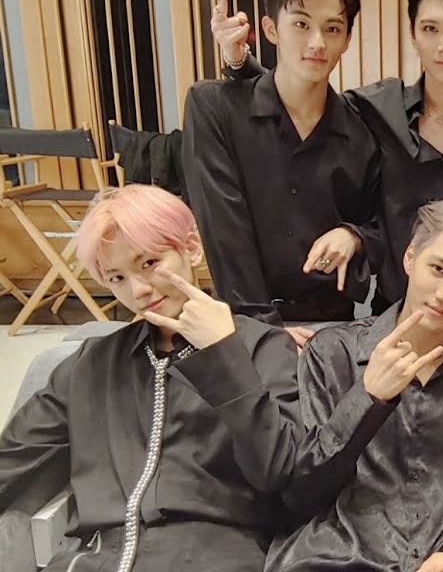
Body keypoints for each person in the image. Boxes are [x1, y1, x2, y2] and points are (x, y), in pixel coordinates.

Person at [0, 184, 301, 572]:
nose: (139, 290)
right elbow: (13, 459)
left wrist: (224, 355)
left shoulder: (261, 348)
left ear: (191, 248)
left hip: (216, 559)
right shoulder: (92, 364)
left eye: (149, 263)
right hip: (92, 561)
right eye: (116, 278)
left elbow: (283, 474)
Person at [214, 0, 443, 326]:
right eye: (430, 29)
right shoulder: (376, 108)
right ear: (413, 34)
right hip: (393, 319)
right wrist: (239, 63)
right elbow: (299, 94)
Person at [269, 200, 443, 572]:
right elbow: (299, 494)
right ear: (410, 258)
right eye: (438, 269)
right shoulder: (333, 355)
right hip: (336, 559)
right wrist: (368, 398)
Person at [182, 0, 379, 344]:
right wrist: (264, 332)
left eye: (332, 28)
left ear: (347, 40)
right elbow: (225, 229)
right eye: (301, 24)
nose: (317, 42)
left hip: (330, 326)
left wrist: (354, 235)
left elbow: (381, 220)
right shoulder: (214, 109)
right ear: (271, 29)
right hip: (243, 324)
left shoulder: (361, 131)